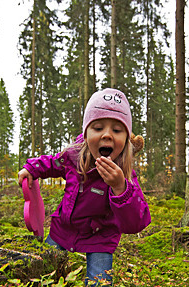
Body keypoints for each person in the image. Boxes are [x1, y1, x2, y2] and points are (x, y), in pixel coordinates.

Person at [18, 88, 151, 286]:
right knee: (43, 270)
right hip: (63, 229)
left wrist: (119, 187)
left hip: (101, 238)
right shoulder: (73, 157)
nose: (107, 135)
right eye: (98, 128)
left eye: (117, 130)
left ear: (126, 138)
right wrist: (32, 168)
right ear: (86, 133)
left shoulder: (125, 174)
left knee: (99, 282)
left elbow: (136, 222)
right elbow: (52, 163)